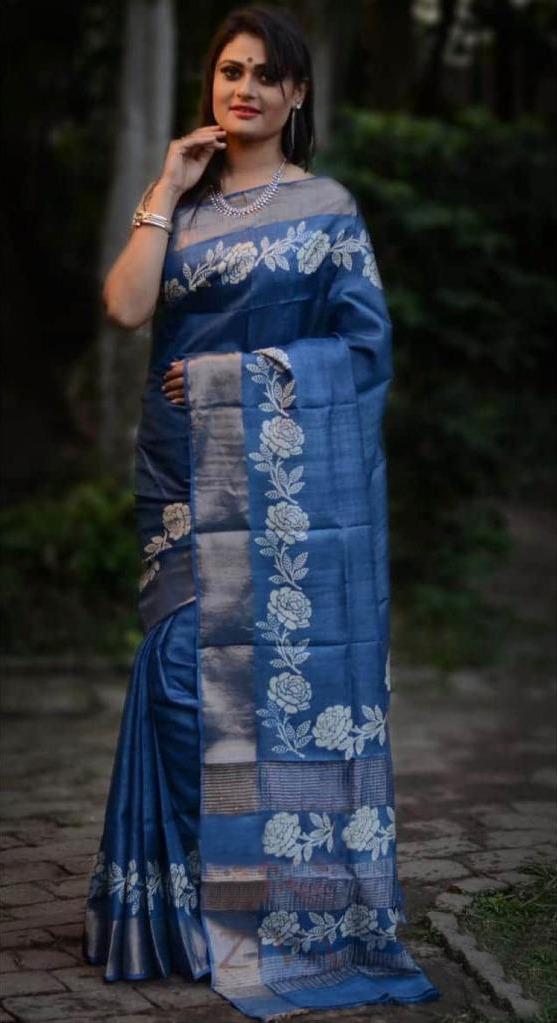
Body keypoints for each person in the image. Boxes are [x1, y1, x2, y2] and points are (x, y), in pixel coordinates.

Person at [82, 5, 441, 1020]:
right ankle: (189, 909)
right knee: (180, 679)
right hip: (179, 476)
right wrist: (163, 186)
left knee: (266, 697)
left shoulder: (325, 210)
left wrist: (239, 378)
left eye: (264, 75)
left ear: (296, 94)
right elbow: (126, 307)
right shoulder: (182, 207)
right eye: (229, 71)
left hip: (285, 490)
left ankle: (267, 911)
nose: (243, 88)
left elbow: (363, 353)